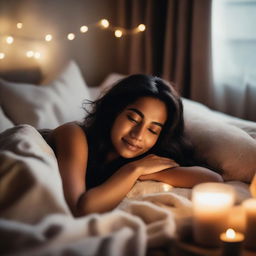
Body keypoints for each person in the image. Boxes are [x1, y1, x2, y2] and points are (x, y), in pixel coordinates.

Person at [43, 74, 223, 216]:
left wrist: (148, 170)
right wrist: (134, 169)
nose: (138, 135)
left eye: (152, 130)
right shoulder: (74, 134)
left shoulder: (144, 160)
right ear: (113, 112)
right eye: (133, 118)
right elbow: (81, 209)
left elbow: (213, 179)